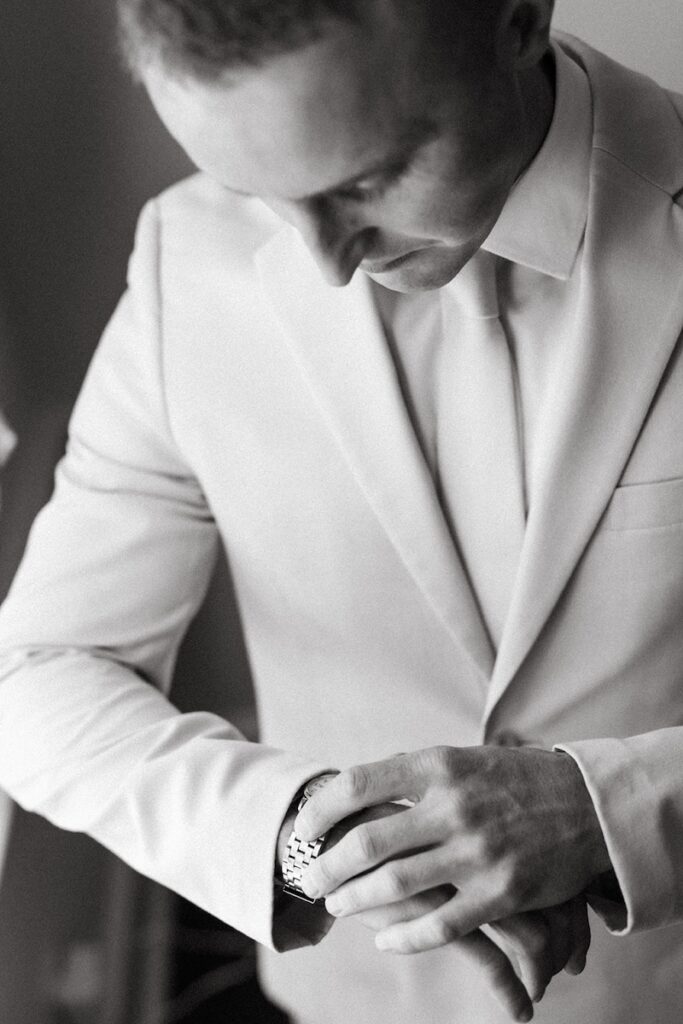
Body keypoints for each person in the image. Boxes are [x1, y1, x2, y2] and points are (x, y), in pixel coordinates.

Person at [0, 0, 682, 1021]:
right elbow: (39, 671)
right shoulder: (186, 267)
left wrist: (611, 810)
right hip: (359, 998)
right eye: (261, 192)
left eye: (368, 177)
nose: (325, 262)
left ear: (515, 19)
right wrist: (313, 844)